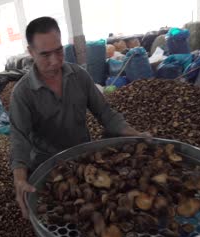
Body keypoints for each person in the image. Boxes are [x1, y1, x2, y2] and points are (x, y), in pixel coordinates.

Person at [10, 17, 151, 219]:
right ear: (31, 52)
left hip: (84, 161)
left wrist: (134, 134)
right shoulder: (22, 93)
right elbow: (19, 139)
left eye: (59, 50)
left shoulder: (79, 76)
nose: (55, 60)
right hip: (49, 170)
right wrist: (20, 179)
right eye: (45, 55)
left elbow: (104, 113)